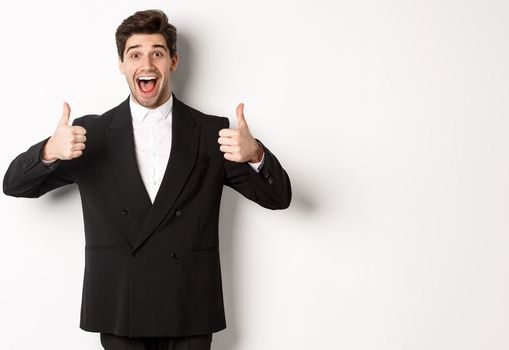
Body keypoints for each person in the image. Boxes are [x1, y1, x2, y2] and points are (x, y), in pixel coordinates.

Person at [2, 9, 292, 350]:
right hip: (120, 305)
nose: (147, 63)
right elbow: (14, 184)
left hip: (190, 305)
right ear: (122, 64)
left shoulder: (211, 132)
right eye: (135, 54)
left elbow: (279, 198)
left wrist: (255, 154)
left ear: (173, 61)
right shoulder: (90, 134)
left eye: (157, 52)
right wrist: (49, 151)